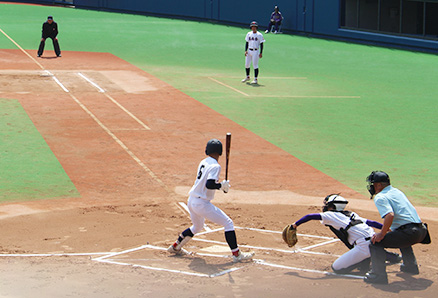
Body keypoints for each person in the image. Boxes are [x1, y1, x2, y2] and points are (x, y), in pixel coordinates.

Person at [168, 138, 254, 262]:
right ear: (220, 152)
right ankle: (237, 255)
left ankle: (175, 247)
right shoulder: (215, 166)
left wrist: (221, 185)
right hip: (202, 204)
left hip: (191, 201)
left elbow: (207, 183)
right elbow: (209, 184)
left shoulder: (203, 162)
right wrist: (221, 186)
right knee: (228, 223)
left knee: (197, 227)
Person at [291, 194, 401, 274]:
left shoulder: (331, 214)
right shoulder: (351, 214)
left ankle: (377, 256)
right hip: (374, 240)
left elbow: (310, 216)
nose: (326, 207)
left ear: (333, 206)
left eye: (328, 204)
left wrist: (295, 225)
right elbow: (371, 223)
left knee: (337, 268)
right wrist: (386, 229)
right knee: (366, 249)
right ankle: (388, 256)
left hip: (363, 246)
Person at [364, 171, 430, 284]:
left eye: (373, 184)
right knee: (400, 234)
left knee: (375, 242)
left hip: (410, 233)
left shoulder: (380, 197)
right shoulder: (396, 192)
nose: (372, 186)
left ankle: (378, 275)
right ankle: (410, 266)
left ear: (379, 185)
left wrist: (382, 233)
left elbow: (390, 215)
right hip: (422, 231)